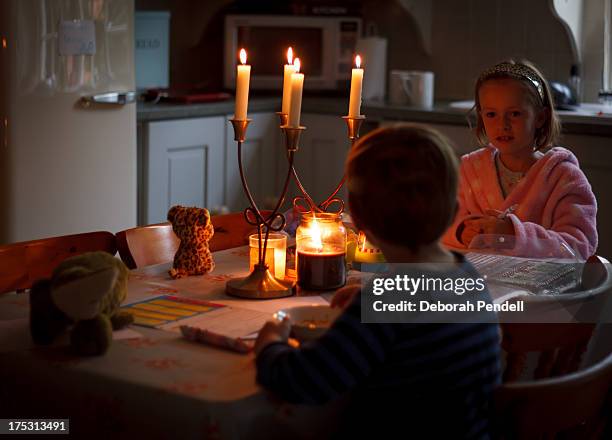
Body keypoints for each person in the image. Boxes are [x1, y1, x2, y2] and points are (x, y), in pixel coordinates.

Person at [255, 124, 501, 439]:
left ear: (359, 223)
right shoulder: (467, 277)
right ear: (454, 212)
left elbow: (304, 381)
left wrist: (271, 338)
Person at [442, 60, 597, 259]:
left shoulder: (564, 178)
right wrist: (462, 231)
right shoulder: (470, 169)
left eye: (514, 114)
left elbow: (579, 245)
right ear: (481, 117)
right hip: (483, 283)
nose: (502, 125)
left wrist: (514, 235)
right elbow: (444, 222)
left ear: (540, 117)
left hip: (543, 288)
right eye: (491, 114)